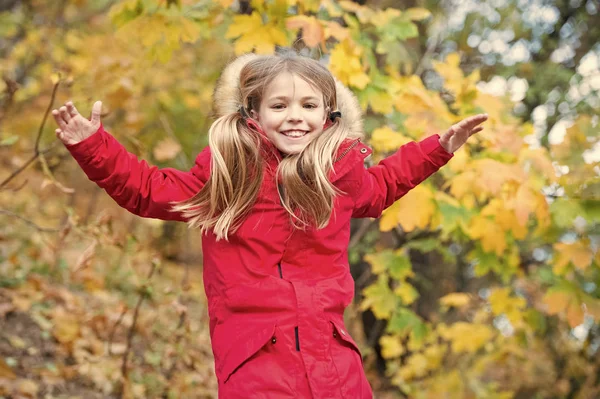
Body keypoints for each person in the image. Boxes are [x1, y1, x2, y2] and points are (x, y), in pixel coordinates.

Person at [52, 50, 487, 398]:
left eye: (308, 105)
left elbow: (384, 185)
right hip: (256, 357)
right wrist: (93, 146)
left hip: (333, 355)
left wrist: (438, 148)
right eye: (279, 105)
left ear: (328, 115)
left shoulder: (340, 174)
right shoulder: (229, 172)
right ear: (254, 114)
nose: (295, 116)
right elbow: (149, 190)